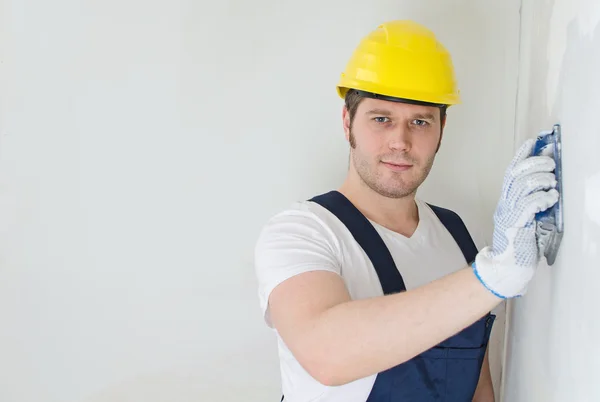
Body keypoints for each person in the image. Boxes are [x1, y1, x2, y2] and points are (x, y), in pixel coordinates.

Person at [253, 20, 559, 402]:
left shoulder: (455, 233)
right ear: (348, 122)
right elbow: (326, 354)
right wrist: (492, 277)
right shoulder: (303, 231)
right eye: (381, 119)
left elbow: (476, 383)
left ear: (441, 130)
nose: (400, 141)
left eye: (420, 121)